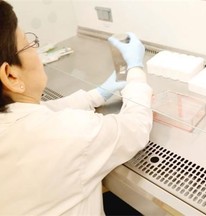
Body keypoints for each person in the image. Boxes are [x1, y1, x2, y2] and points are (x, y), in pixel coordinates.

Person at [0, 0, 153, 215]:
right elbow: (135, 128)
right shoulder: (65, 133)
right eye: (28, 43)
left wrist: (97, 95)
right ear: (10, 75)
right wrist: (136, 71)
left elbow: (41, 112)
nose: (36, 49)